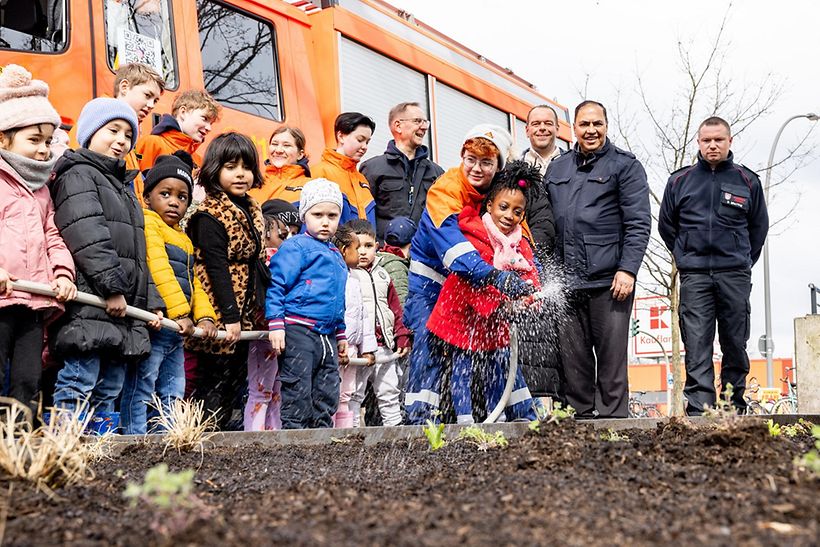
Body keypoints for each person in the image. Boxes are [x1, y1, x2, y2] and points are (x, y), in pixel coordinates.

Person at [403, 124, 535, 424]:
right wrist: (498, 279)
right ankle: (419, 421)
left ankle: (520, 417)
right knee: (429, 340)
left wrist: (528, 284)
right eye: (470, 159)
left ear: (498, 166)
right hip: (433, 282)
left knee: (499, 347)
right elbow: (454, 251)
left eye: (486, 162)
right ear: (462, 157)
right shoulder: (446, 190)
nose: (476, 168)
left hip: (475, 284)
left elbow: (521, 241)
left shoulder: (501, 194)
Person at [49, 97, 164, 421]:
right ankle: (64, 447)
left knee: (109, 388)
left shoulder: (123, 186)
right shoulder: (79, 174)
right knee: (79, 380)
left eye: (128, 135)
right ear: (89, 132)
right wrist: (113, 289)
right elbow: (88, 236)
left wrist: (150, 303)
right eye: (113, 130)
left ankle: (101, 457)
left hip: (122, 307)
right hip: (93, 302)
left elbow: (138, 253)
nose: (121, 141)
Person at [545, 100, 651, 419]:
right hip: (566, 282)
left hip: (610, 282)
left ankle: (613, 426)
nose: (591, 130)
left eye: (597, 124)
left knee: (611, 362)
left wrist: (627, 269)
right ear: (573, 128)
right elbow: (546, 221)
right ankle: (577, 425)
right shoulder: (557, 168)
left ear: (606, 125)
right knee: (572, 361)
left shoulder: (625, 166)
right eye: (584, 124)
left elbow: (638, 222)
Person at [658, 116, 769, 415]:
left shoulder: (748, 181)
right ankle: (700, 410)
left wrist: (742, 260)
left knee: (735, 342)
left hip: (734, 274)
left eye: (718, 139)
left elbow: (758, 229)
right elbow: (667, 226)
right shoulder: (679, 181)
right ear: (699, 142)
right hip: (694, 276)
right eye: (707, 140)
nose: (712, 145)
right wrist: (685, 257)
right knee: (696, 344)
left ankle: (733, 405)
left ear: (730, 141)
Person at [427, 161, 540, 424]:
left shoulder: (517, 242)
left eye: (517, 211)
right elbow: (473, 283)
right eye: (503, 207)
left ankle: (499, 418)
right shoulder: (476, 236)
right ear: (489, 206)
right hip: (461, 322)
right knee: (463, 370)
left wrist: (530, 300)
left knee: (497, 369)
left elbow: (530, 273)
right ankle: (465, 421)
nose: (509, 215)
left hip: (493, 323)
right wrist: (501, 307)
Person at [120, 151, 218, 435]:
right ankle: (135, 439)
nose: (175, 201)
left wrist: (205, 317)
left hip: (177, 329)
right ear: (148, 197)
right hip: (158, 323)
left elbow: (194, 282)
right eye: (166, 193)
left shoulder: (183, 237)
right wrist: (180, 314)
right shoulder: (149, 224)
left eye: (182, 196)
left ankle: (169, 438)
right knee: (143, 385)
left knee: (174, 387)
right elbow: (159, 268)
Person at [0, 64, 76, 415]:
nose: (45, 150)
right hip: (2, 296)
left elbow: (53, 236)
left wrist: (62, 274)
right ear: (3, 138)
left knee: (28, 380)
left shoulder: (41, 190)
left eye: (48, 141)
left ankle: (19, 449)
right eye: (34, 140)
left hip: (32, 300)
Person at [185, 132, 267, 430]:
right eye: (231, 166)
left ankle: (222, 433)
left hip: (244, 312)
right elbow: (216, 268)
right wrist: (229, 317)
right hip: (218, 311)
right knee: (209, 383)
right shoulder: (209, 214)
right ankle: (198, 433)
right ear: (215, 169)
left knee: (234, 383)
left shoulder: (252, 208)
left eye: (246, 166)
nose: (241, 174)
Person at [266, 178, 348, 430]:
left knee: (327, 391)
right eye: (318, 214)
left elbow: (338, 298)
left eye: (332, 215)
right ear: (305, 215)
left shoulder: (335, 254)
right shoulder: (295, 247)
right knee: (297, 390)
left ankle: (322, 442)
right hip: (299, 328)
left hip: (328, 334)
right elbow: (277, 284)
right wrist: (276, 323)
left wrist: (341, 333)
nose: (325, 221)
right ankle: (294, 442)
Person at [243, 199, 302, 431]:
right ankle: (254, 442)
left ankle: (273, 439)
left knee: (276, 392)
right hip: (263, 335)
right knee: (261, 391)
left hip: (283, 333)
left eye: (295, 235)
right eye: (284, 234)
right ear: (266, 230)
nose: (289, 241)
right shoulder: (263, 261)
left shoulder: (293, 260)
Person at [347, 219, 411, 427]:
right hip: (356, 348)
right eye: (357, 247)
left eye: (368, 246)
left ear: (377, 246)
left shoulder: (383, 274)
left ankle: (394, 431)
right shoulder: (346, 275)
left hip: (383, 344)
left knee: (389, 390)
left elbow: (395, 309)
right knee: (353, 393)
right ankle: (352, 432)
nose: (363, 252)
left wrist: (401, 336)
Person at [360, 102, 444, 241]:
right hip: (384, 255)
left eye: (425, 122)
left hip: (423, 257)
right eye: (417, 121)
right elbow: (364, 216)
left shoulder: (437, 173)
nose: (423, 127)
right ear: (398, 126)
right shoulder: (372, 168)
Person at [332, 224, 376, 428]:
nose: (361, 253)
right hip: (337, 346)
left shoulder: (356, 279)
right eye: (356, 248)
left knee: (348, 393)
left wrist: (367, 348)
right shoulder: (333, 278)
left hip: (353, 348)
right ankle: (330, 432)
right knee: (333, 392)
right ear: (343, 250)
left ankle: (345, 433)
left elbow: (364, 317)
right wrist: (337, 342)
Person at [311, 112, 376, 226]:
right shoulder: (320, 172)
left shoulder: (362, 179)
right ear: (340, 136)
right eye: (360, 140)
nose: (365, 146)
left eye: (367, 142)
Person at [112, 62, 166, 202]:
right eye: (147, 95)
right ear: (124, 87)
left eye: (155, 101)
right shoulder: (97, 126)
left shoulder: (130, 138)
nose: (151, 106)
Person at [135, 89, 220, 173]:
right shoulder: (152, 143)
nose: (209, 128)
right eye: (204, 118)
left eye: (211, 123)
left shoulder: (199, 162)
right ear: (183, 112)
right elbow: (138, 183)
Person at [248, 126, 311, 207]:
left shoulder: (310, 187)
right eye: (274, 144)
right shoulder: (253, 183)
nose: (278, 150)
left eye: (286, 145)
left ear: (300, 154)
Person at [376, 216, 416, 307]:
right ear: (411, 245)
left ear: (385, 243)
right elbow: (402, 306)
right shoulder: (396, 268)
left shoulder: (378, 259)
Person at [522, 104, 562, 177]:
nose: (542, 128)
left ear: (557, 130)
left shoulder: (575, 165)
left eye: (548, 124)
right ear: (527, 131)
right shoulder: (512, 168)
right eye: (536, 124)